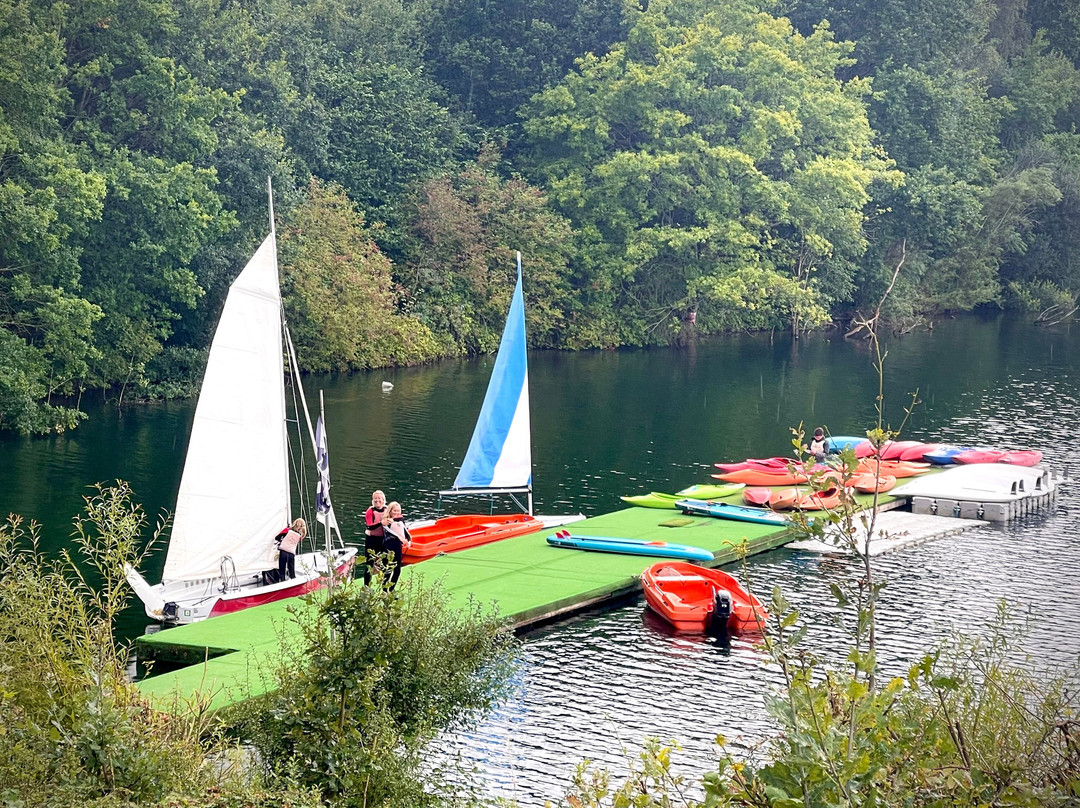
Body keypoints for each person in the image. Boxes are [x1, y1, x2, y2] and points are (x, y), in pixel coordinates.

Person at [380, 500, 411, 591]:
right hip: (389, 545)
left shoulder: (401, 521)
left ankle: (391, 589)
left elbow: (405, 531)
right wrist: (400, 539)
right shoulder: (387, 521)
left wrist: (408, 540)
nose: (396, 513)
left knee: (397, 570)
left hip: (398, 546)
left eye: (398, 511)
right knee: (388, 569)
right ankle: (384, 591)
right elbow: (390, 531)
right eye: (394, 511)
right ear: (390, 511)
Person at [364, 490, 388, 585]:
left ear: (383, 500)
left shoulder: (387, 509)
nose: (377, 500)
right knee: (369, 564)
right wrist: (381, 523)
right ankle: (366, 587)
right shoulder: (370, 511)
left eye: (379, 498)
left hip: (383, 540)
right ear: (372, 500)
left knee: (385, 564)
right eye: (375, 498)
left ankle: (384, 588)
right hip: (372, 540)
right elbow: (369, 526)